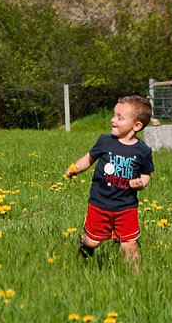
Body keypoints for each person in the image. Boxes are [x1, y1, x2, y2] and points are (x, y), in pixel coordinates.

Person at [64, 95, 154, 271]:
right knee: (93, 241)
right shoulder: (105, 141)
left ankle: (135, 278)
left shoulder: (143, 150)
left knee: (129, 243)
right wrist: (75, 168)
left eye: (120, 118)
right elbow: (89, 159)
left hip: (126, 207)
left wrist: (141, 183)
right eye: (114, 115)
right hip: (100, 203)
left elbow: (146, 174)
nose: (113, 120)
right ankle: (85, 247)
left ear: (137, 125)